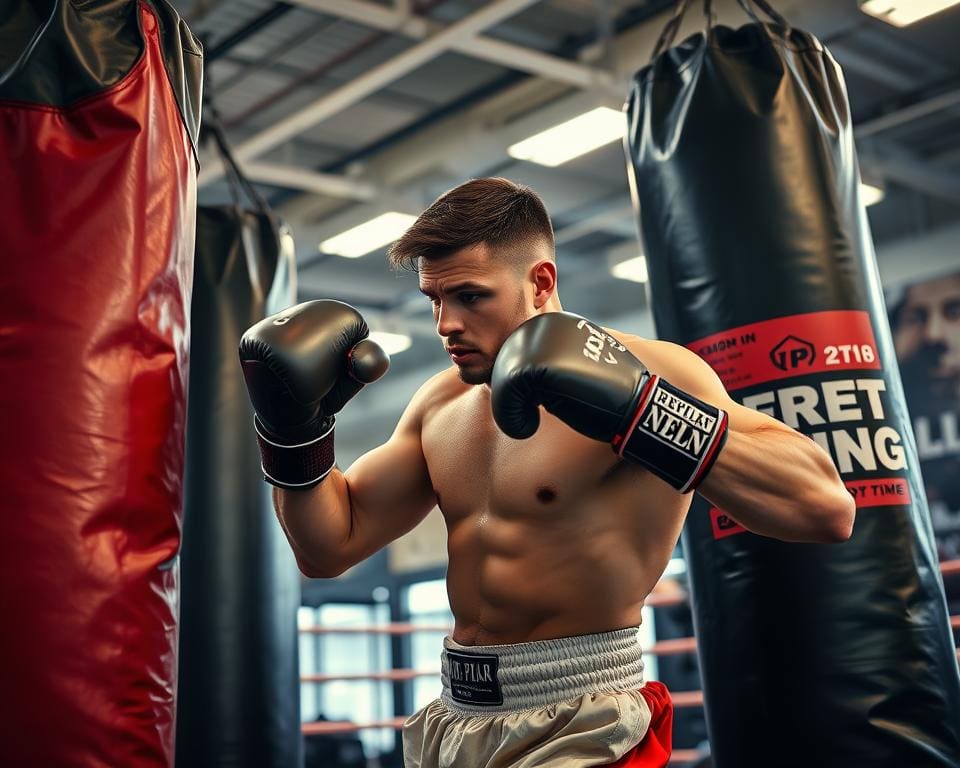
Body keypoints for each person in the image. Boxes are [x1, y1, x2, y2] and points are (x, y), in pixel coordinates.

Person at [238, 177, 855, 768]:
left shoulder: (651, 371)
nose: (446, 324)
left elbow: (825, 508)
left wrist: (637, 408)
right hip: (457, 719)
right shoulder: (439, 402)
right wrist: (294, 434)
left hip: (583, 722)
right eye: (435, 299)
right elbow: (328, 547)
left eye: (471, 296)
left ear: (540, 282)